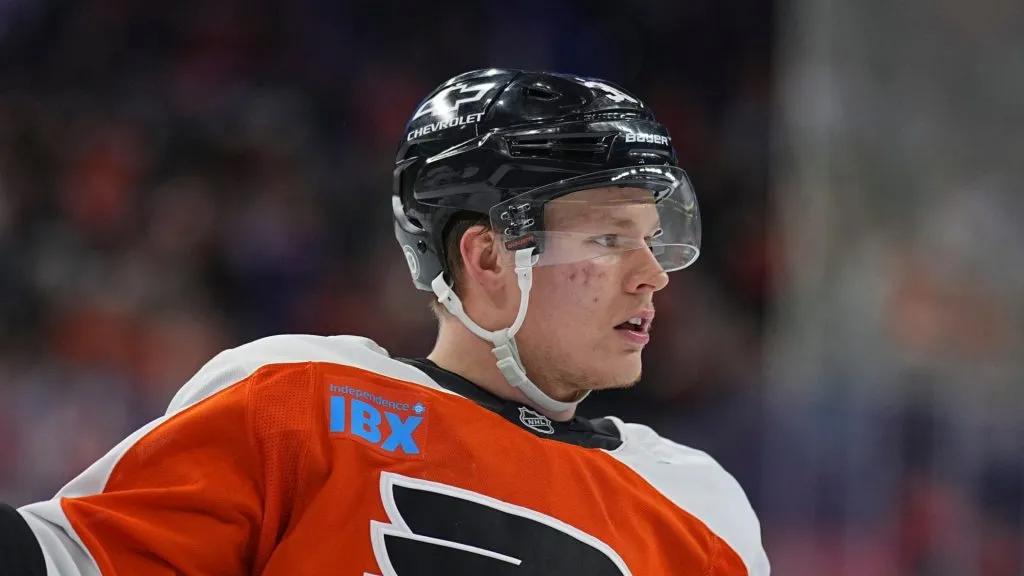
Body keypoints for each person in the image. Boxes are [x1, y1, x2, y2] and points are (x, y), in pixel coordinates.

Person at [1, 69, 770, 575]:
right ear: (490, 257)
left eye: (650, 238)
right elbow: (67, 561)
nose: (652, 274)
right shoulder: (299, 399)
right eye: (609, 239)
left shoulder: (700, 507)